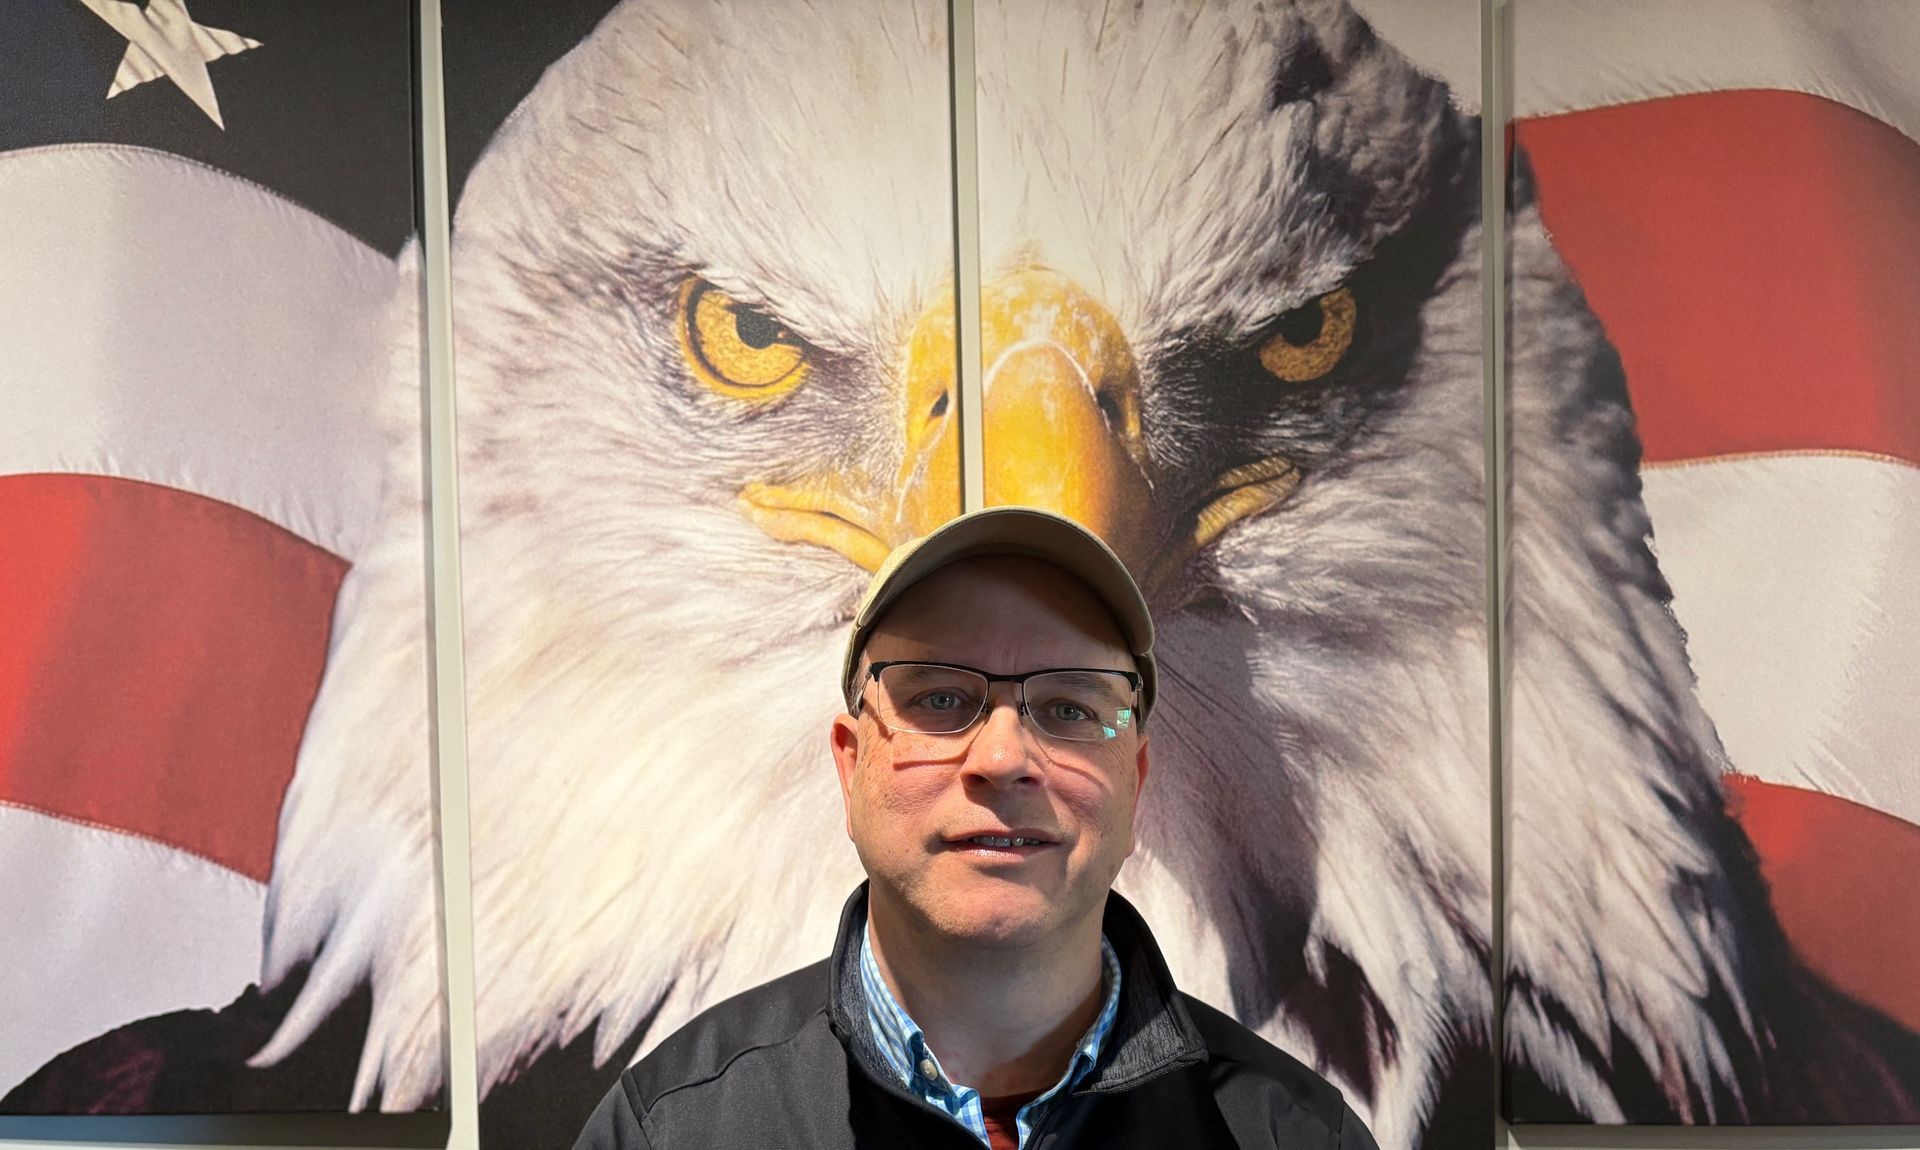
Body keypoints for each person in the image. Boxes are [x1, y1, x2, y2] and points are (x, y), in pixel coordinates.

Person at [572, 506, 1378, 1148]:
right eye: (938, 700)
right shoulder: (675, 1129)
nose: (1002, 757)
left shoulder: (1290, 1132)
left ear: (1133, 783)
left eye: (1069, 708)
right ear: (851, 769)